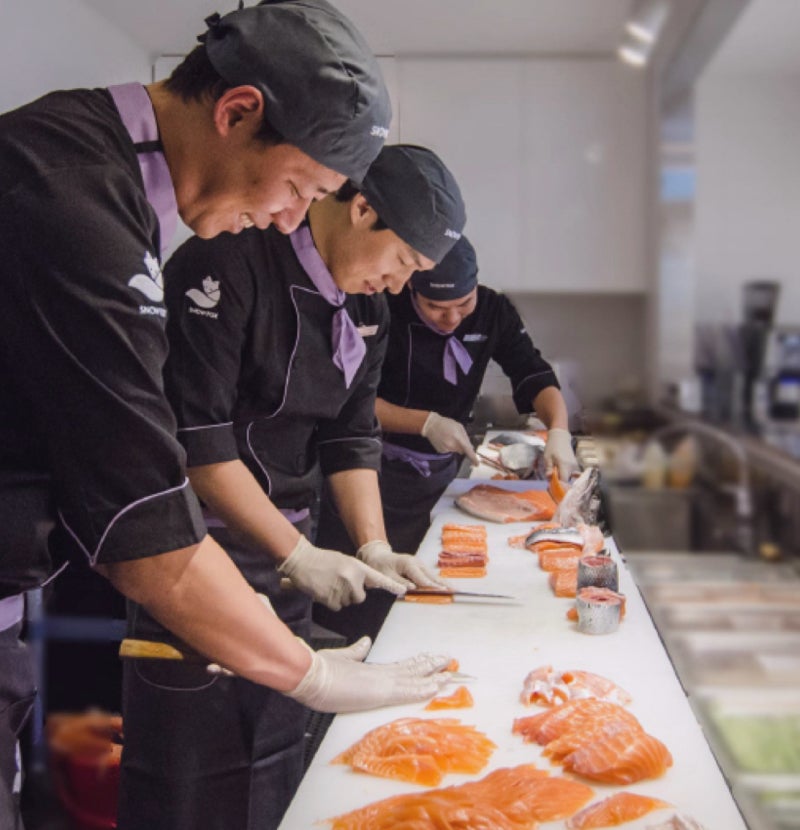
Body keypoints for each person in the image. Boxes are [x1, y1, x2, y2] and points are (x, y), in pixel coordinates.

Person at [0, 4, 453, 828]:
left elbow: (346, 432)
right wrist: (307, 673)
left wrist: (366, 548)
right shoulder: (70, 200)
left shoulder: (97, 174)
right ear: (237, 111)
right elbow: (144, 519)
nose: (289, 219)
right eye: (298, 189)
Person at [121, 143, 465, 829]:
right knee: (193, 782)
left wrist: (370, 546)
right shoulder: (228, 262)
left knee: (278, 765)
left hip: (288, 566)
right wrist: (295, 553)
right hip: (196, 558)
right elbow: (199, 442)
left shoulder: (370, 310)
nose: (399, 285)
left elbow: (349, 436)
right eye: (401, 262)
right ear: (362, 209)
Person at [315, 234, 579, 642]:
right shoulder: (383, 306)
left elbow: (534, 374)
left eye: (462, 305)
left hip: (440, 477)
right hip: (370, 471)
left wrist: (558, 430)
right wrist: (425, 423)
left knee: (431, 588)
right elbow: (347, 402)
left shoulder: (494, 310)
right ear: (411, 287)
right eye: (436, 307)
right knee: (367, 603)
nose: (452, 318)